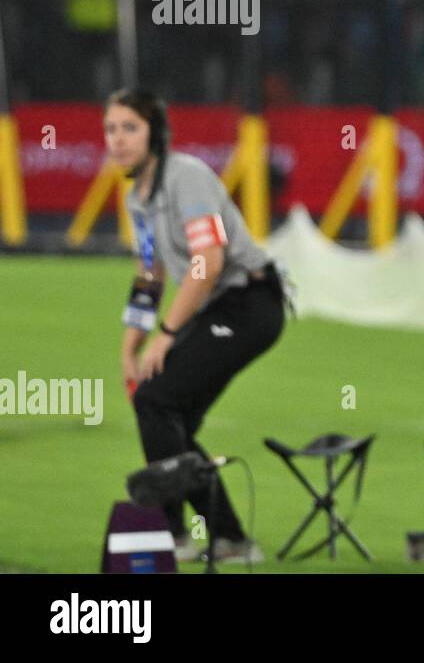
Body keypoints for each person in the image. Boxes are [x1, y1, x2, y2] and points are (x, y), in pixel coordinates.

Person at [106, 89, 288, 563]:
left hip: (251, 303)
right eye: (111, 129)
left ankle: (178, 535)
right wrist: (131, 346)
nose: (118, 139)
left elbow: (208, 261)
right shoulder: (136, 197)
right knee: (169, 414)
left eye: (130, 128)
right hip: (219, 307)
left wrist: (164, 337)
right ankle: (226, 539)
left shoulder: (188, 177)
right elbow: (149, 276)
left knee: (156, 398)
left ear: (156, 134)